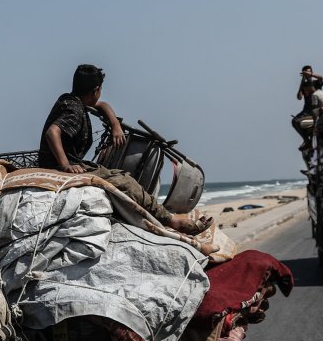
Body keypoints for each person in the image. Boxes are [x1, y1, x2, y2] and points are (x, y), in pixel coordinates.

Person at [38, 64, 210, 235]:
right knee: (126, 182)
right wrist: (66, 165)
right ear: (96, 89)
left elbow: (102, 105)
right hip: (62, 168)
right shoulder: (74, 109)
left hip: (73, 163)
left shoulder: (71, 99)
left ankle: (160, 216)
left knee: (120, 176)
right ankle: (172, 221)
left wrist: (115, 124)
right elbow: (52, 132)